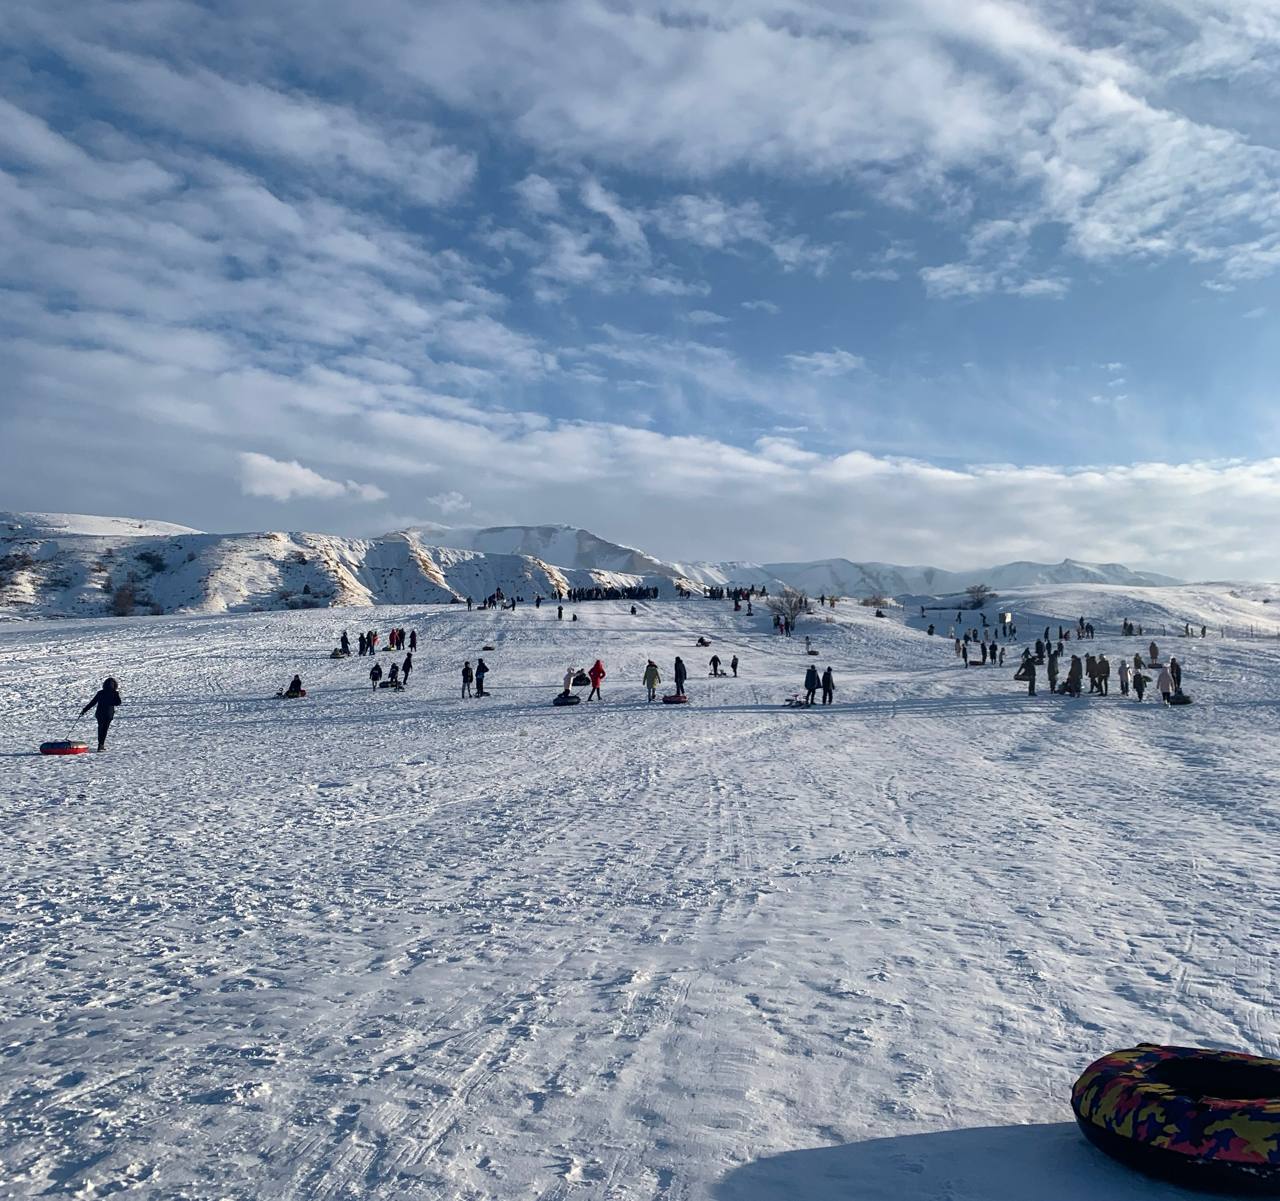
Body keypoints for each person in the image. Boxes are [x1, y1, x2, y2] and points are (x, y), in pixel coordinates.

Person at [80, 677, 122, 751]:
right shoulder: (114, 693)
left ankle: (100, 744)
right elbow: (118, 702)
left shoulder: (100, 693)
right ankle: (101, 745)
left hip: (99, 713)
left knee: (100, 728)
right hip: (108, 714)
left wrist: (84, 710)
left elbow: (92, 702)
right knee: (105, 729)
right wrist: (111, 701)